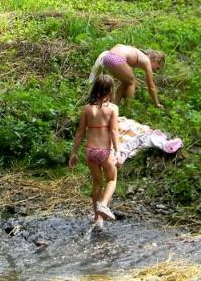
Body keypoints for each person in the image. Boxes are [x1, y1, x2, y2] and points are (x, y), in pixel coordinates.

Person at [69, 74, 121, 228]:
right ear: (111, 89)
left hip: (90, 151)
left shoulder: (86, 109)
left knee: (97, 182)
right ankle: (104, 205)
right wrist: (117, 151)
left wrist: (74, 152)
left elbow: (80, 132)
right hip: (104, 151)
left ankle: (98, 219)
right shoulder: (112, 109)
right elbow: (113, 131)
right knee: (111, 179)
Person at [87, 44, 165, 108]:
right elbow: (151, 87)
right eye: (157, 68)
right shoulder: (147, 61)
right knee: (132, 82)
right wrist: (156, 103)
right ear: (156, 61)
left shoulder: (137, 52)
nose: (155, 70)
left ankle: (114, 106)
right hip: (116, 58)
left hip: (107, 57)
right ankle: (127, 109)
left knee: (126, 82)